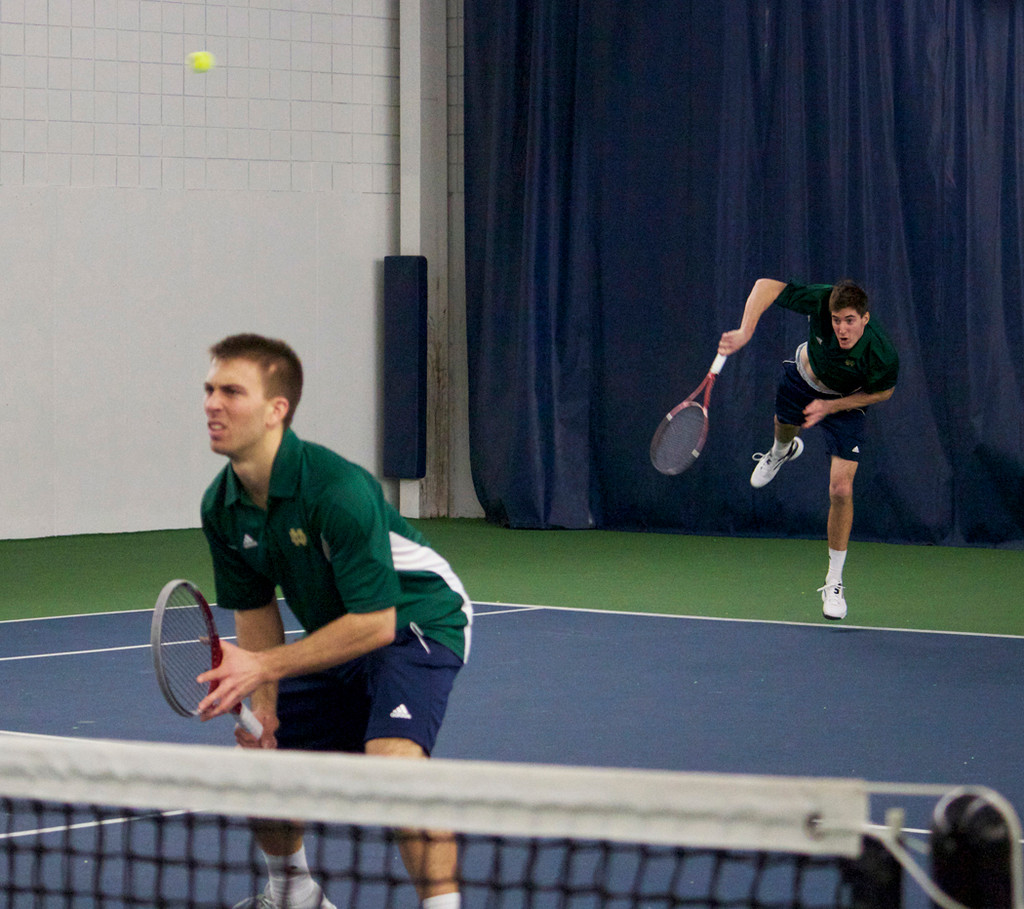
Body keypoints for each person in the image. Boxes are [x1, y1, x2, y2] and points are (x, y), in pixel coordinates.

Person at [195, 333, 472, 909]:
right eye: (209, 390)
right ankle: (293, 895)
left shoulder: (336, 489)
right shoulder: (221, 505)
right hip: (341, 636)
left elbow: (375, 625)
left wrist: (262, 668)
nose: (212, 404)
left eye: (231, 391)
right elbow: (256, 613)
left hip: (416, 618)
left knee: (393, 764)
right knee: (262, 760)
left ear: (277, 410)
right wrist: (264, 709)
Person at [718, 279, 898, 620]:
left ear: (865, 319)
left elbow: (883, 392)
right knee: (784, 426)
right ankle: (780, 451)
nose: (841, 329)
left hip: (847, 404)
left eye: (849, 320)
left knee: (841, 489)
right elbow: (763, 287)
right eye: (836, 320)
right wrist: (745, 330)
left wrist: (832, 407)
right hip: (803, 379)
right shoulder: (821, 301)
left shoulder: (881, 352)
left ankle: (834, 581)